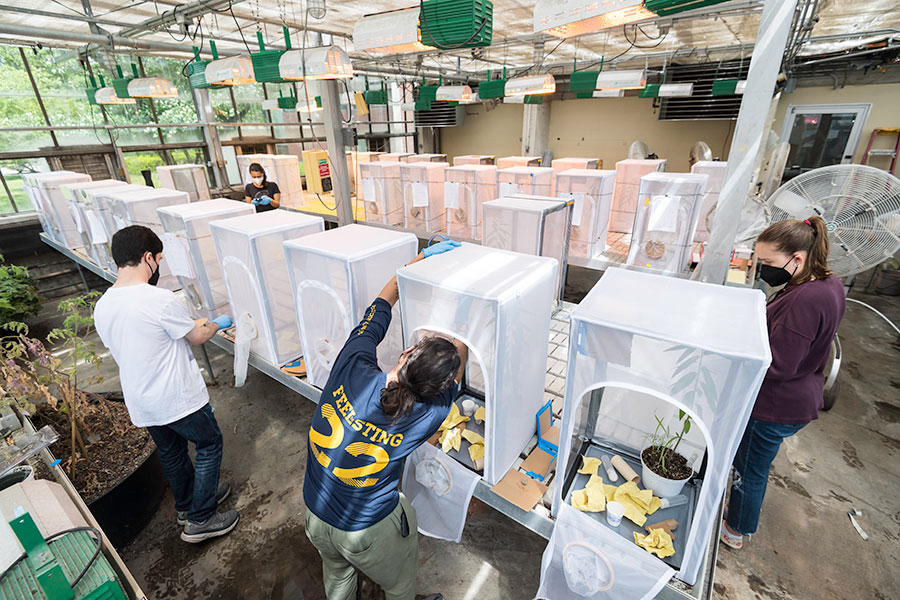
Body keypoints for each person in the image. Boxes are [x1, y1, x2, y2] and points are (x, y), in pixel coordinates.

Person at [303, 239, 465, 600]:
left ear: (407, 351)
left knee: (339, 574)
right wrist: (464, 317)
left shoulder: (353, 363)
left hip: (315, 511)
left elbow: (380, 306)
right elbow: (457, 370)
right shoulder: (430, 415)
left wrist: (420, 260)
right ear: (437, 389)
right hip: (364, 531)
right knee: (398, 586)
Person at [94, 225, 240, 544]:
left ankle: (188, 507)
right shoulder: (159, 299)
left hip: (141, 399)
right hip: (176, 397)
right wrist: (219, 322)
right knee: (209, 444)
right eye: (159, 259)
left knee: (172, 453)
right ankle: (202, 519)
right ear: (148, 257)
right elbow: (197, 336)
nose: (159, 266)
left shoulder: (103, 305)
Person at [721, 216, 845, 549]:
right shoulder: (827, 283)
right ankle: (738, 513)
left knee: (750, 469)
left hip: (775, 405)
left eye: (768, 263)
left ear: (798, 258)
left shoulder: (804, 300)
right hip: (800, 393)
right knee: (752, 465)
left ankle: (735, 529)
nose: (763, 270)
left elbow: (779, 364)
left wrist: (732, 353)